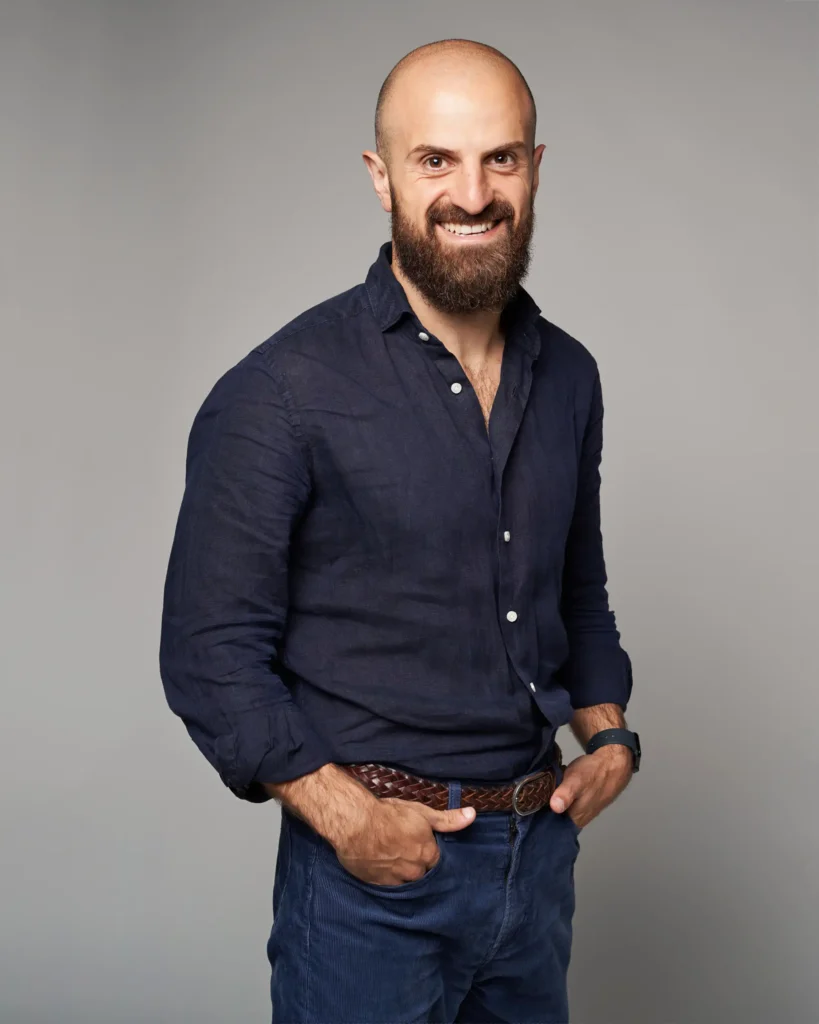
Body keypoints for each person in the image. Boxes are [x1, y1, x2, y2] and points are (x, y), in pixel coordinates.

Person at [159, 36, 640, 1024]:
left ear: (535, 168)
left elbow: (576, 595)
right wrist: (352, 822)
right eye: (436, 161)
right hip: (371, 884)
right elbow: (209, 654)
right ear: (381, 178)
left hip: (535, 865)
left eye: (500, 158)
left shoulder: (572, 378)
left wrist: (613, 738)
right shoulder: (281, 392)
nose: (473, 193)